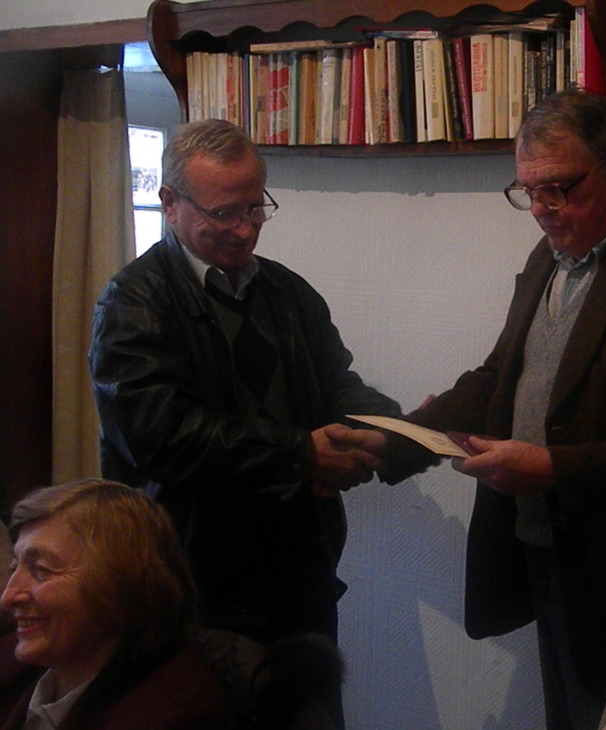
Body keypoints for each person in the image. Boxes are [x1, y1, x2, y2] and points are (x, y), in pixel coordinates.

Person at [377, 89, 606, 729]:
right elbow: (499, 378)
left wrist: (552, 468)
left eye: (558, 189)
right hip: (546, 553)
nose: (541, 211)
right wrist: (396, 439)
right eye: (528, 191)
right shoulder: (552, 257)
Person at [88, 119, 397, 657]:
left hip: (299, 567)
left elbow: (334, 384)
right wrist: (301, 453)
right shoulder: (132, 303)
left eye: (255, 208)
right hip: (192, 581)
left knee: (309, 700)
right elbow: (163, 439)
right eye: (223, 213)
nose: (245, 230)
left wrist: (387, 429)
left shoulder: (288, 291)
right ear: (169, 203)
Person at [0, 478, 234, 729]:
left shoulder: (174, 717)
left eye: (40, 569)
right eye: (15, 566)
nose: (8, 597)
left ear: (121, 585)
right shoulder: (16, 655)